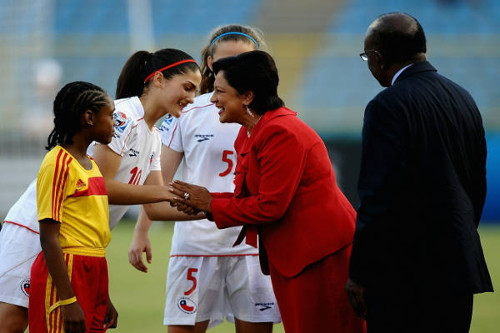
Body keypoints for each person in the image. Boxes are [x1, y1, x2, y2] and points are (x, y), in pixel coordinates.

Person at [0, 48, 201, 332]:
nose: (192, 98)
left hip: (79, 245)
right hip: (42, 230)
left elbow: (155, 205)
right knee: (13, 321)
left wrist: (216, 210)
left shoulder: (153, 135)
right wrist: (172, 193)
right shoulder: (122, 118)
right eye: (188, 87)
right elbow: (100, 186)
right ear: (158, 79)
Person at [168, 50, 365, 333]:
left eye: (220, 91)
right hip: (298, 257)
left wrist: (211, 203)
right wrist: (206, 204)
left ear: (247, 96)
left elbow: (271, 206)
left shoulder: (280, 132)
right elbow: (250, 199)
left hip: (322, 258)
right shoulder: (251, 131)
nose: (212, 99)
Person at [345, 12, 493, 333]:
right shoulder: (463, 98)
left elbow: (377, 197)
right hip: (458, 268)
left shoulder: (387, 105)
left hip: (405, 278)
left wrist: (360, 273)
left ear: (377, 57)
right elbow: (476, 185)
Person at [129, 25, 281, 333]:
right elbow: (161, 182)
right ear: (210, 64)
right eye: (226, 62)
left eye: (244, 60)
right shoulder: (189, 110)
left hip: (250, 245)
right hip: (195, 244)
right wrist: (141, 230)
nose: (235, 68)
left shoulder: (271, 116)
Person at [28, 81, 117, 332]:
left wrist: (104, 295)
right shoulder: (57, 164)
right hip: (69, 270)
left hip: (96, 268)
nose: (114, 123)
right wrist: (67, 300)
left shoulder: (91, 164)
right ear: (89, 117)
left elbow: (93, 235)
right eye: (110, 116)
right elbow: (48, 237)